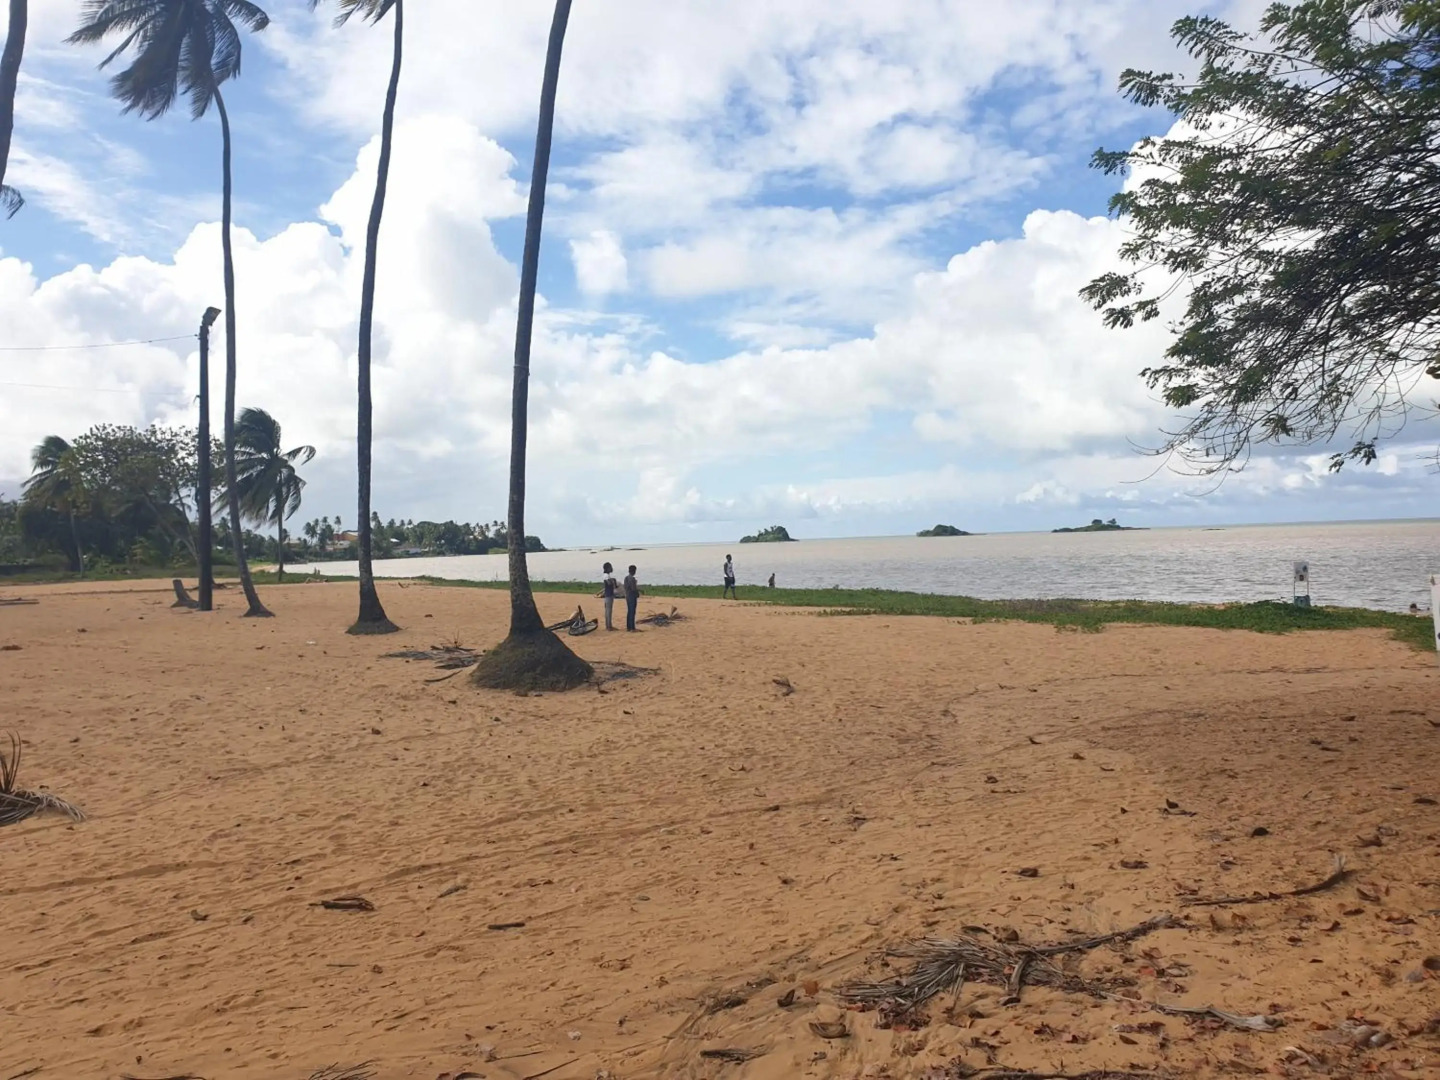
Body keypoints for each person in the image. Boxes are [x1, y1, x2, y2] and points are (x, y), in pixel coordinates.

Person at [595, 562, 618, 630]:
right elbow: (609, 583)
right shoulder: (606, 576)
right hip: (609, 595)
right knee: (608, 611)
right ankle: (608, 626)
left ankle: (609, 625)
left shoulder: (607, 575)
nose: (612, 568)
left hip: (609, 594)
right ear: (607, 568)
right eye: (610, 567)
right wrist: (613, 581)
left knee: (608, 610)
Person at [624, 564, 641, 631]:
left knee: (629, 611)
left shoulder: (626, 578)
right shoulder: (632, 579)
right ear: (634, 571)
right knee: (632, 611)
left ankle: (629, 627)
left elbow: (626, 587)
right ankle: (632, 628)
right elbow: (633, 589)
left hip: (627, 595)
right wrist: (638, 593)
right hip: (632, 596)